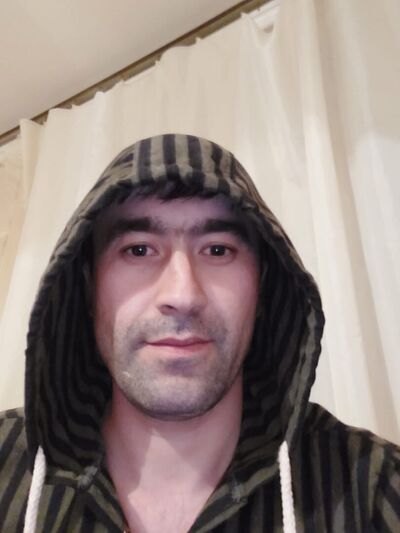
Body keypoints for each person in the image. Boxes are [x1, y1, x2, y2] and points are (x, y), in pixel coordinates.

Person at [0, 133, 398, 532]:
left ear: (263, 285)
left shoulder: (376, 488)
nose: (183, 296)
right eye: (139, 249)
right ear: (88, 285)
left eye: (218, 250)